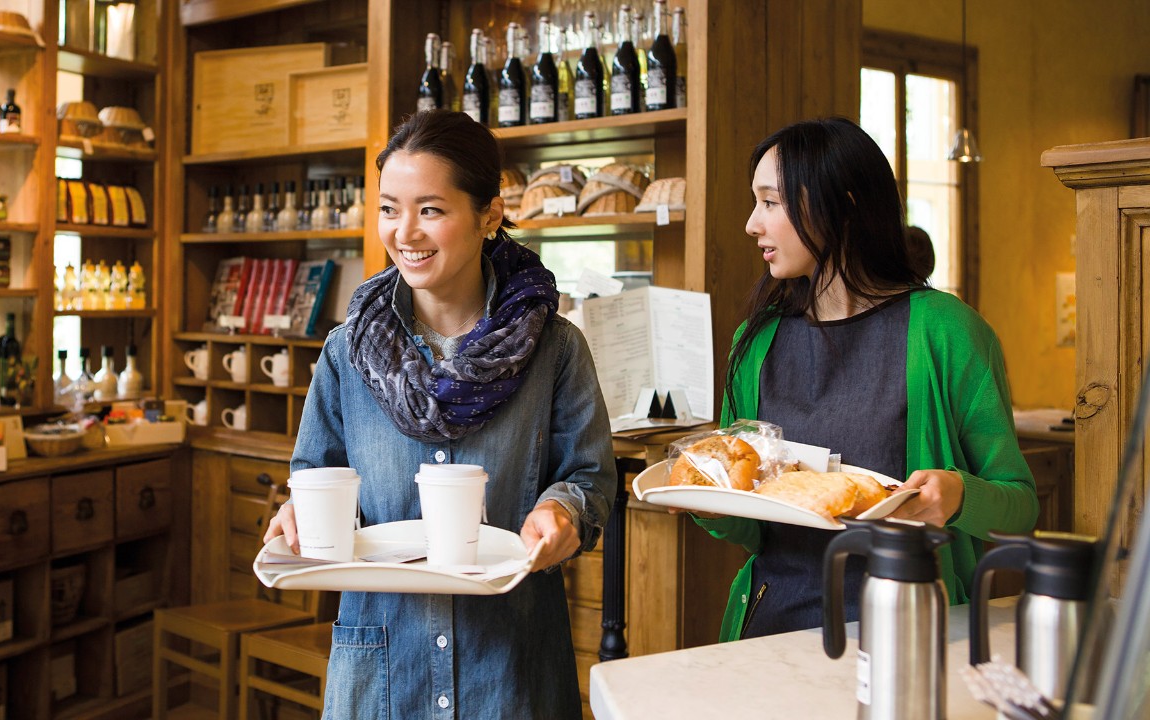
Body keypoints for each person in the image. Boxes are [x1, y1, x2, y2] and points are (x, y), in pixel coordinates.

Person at [264, 109, 616, 719]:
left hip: (509, 669)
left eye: (430, 209)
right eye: (389, 209)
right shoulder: (348, 353)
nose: (405, 232)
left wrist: (563, 512)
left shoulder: (554, 348)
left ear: (489, 214)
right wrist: (300, 513)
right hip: (382, 671)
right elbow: (315, 474)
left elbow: (589, 479)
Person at [692, 117, 1038, 641]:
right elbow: (751, 526)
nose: (751, 224)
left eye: (770, 202)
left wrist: (959, 496)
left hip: (911, 635)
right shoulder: (755, 341)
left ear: (843, 204)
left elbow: (1019, 507)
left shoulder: (945, 330)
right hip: (772, 631)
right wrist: (705, 499)